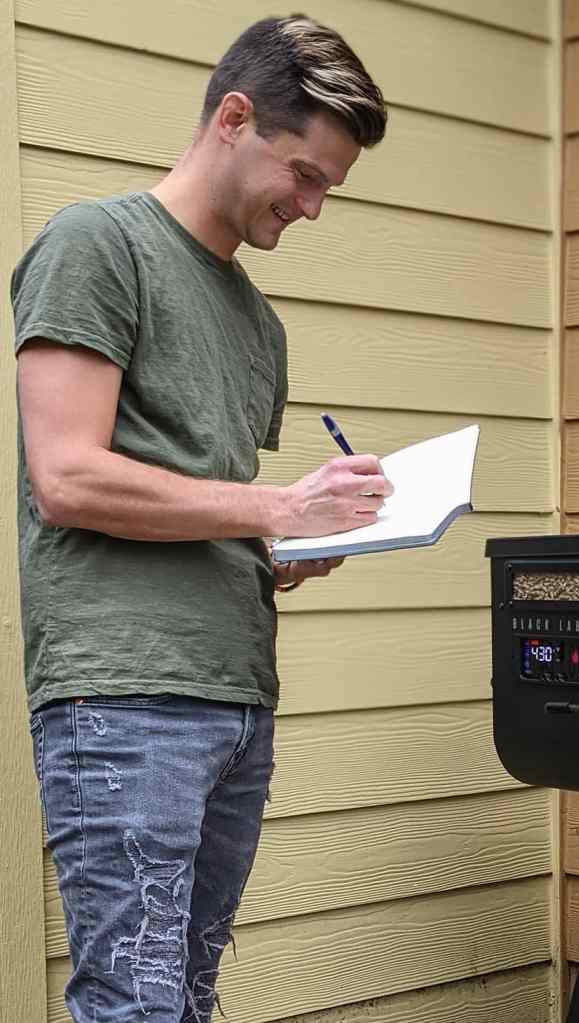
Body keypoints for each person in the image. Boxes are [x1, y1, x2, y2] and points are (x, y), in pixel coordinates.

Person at [10, 14, 393, 1022]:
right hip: (127, 696)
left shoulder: (258, 322)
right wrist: (279, 503)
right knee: (132, 1002)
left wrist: (288, 546)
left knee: (184, 996)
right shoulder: (97, 245)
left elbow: (202, 508)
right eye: (303, 174)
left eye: (329, 188)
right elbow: (68, 477)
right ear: (233, 118)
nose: (312, 207)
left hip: (236, 696)